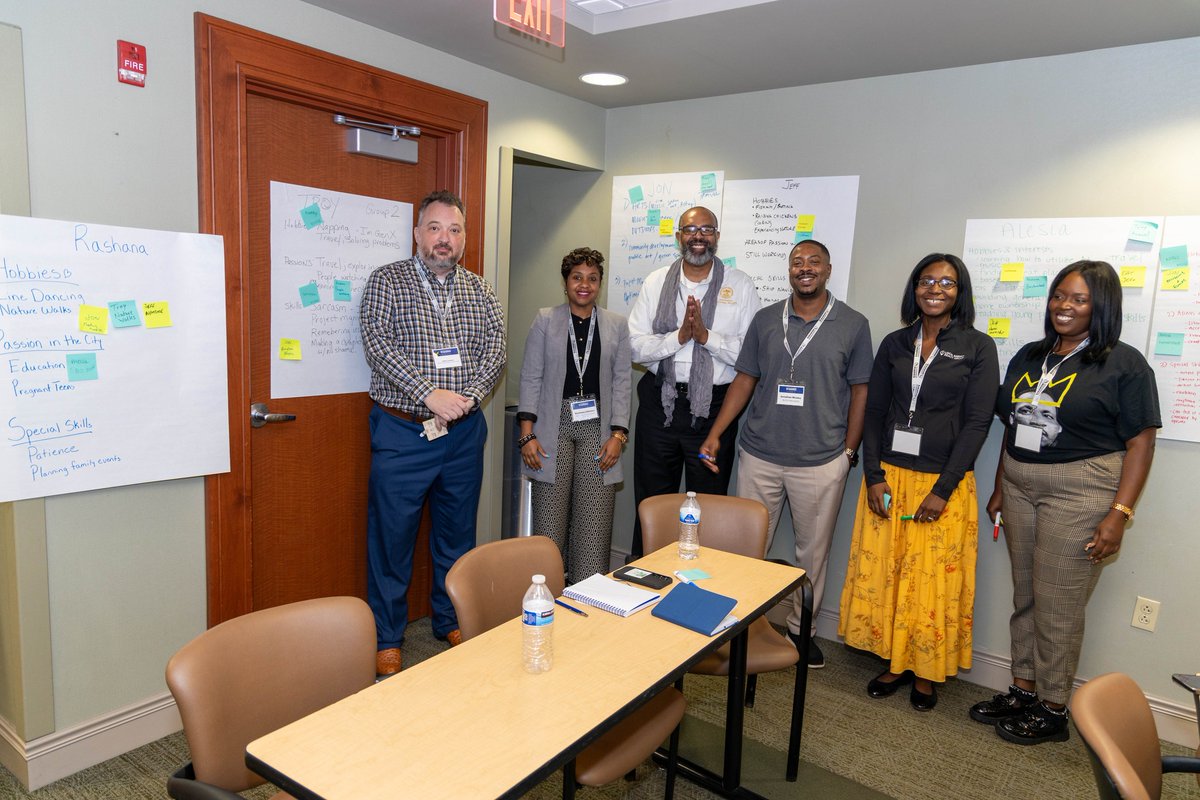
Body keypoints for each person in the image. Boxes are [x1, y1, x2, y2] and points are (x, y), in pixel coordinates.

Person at [970, 260, 1159, 744]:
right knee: (1026, 595)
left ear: (1101, 306)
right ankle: (1024, 690)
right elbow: (1012, 425)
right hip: (1019, 483)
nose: (1064, 306)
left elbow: (1140, 442)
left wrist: (1119, 514)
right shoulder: (1031, 355)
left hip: (1082, 488)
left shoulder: (1124, 363)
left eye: (1078, 299)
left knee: (1059, 603)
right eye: (1058, 295)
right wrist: (1000, 484)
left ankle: (1053, 709)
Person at [699, 239, 872, 668]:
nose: (805, 268)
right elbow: (745, 380)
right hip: (760, 453)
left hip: (821, 458)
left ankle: (801, 630)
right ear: (789, 271)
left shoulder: (853, 324)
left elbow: (860, 391)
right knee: (745, 546)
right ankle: (741, 625)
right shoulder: (765, 319)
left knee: (812, 554)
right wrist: (716, 432)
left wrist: (849, 452)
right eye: (797, 262)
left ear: (827, 270)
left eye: (814, 261)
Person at [838, 254, 999, 710]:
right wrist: (872, 476)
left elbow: (977, 423)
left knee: (931, 583)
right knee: (888, 574)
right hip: (890, 478)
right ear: (915, 289)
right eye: (927, 280)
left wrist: (943, 490)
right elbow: (874, 411)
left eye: (947, 282)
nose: (935, 289)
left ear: (959, 292)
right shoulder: (895, 343)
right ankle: (894, 661)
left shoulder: (977, 347)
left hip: (942, 485)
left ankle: (925, 671)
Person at [359, 189, 506, 676]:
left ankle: (449, 618)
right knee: (391, 538)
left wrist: (466, 399)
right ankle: (387, 636)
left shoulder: (480, 290)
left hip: (463, 433)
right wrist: (430, 395)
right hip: (404, 432)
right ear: (418, 234)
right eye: (436, 228)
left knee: (456, 534)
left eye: (454, 229)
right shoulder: (387, 282)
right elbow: (378, 345)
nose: (445, 238)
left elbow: (496, 350)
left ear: (464, 238)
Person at [627, 206, 761, 558]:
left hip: (713, 410)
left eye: (706, 229)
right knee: (652, 501)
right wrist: (679, 337)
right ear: (679, 237)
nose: (698, 236)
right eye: (690, 229)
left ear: (716, 236)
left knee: (709, 508)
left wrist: (705, 337)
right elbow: (635, 346)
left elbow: (751, 354)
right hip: (660, 404)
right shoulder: (656, 282)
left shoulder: (740, 285)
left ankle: (703, 581)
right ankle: (646, 575)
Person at [517, 247, 631, 582]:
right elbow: (531, 376)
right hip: (552, 425)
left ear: (600, 284)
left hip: (599, 427)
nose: (584, 285)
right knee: (549, 524)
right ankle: (547, 595)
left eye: (592, 278)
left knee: (595, 520)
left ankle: (588, 594)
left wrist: (618, 435)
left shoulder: (616, 325)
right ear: (565, 282)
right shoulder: (545, 320)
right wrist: (527, 434)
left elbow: (622, 382)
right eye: (577, 277)